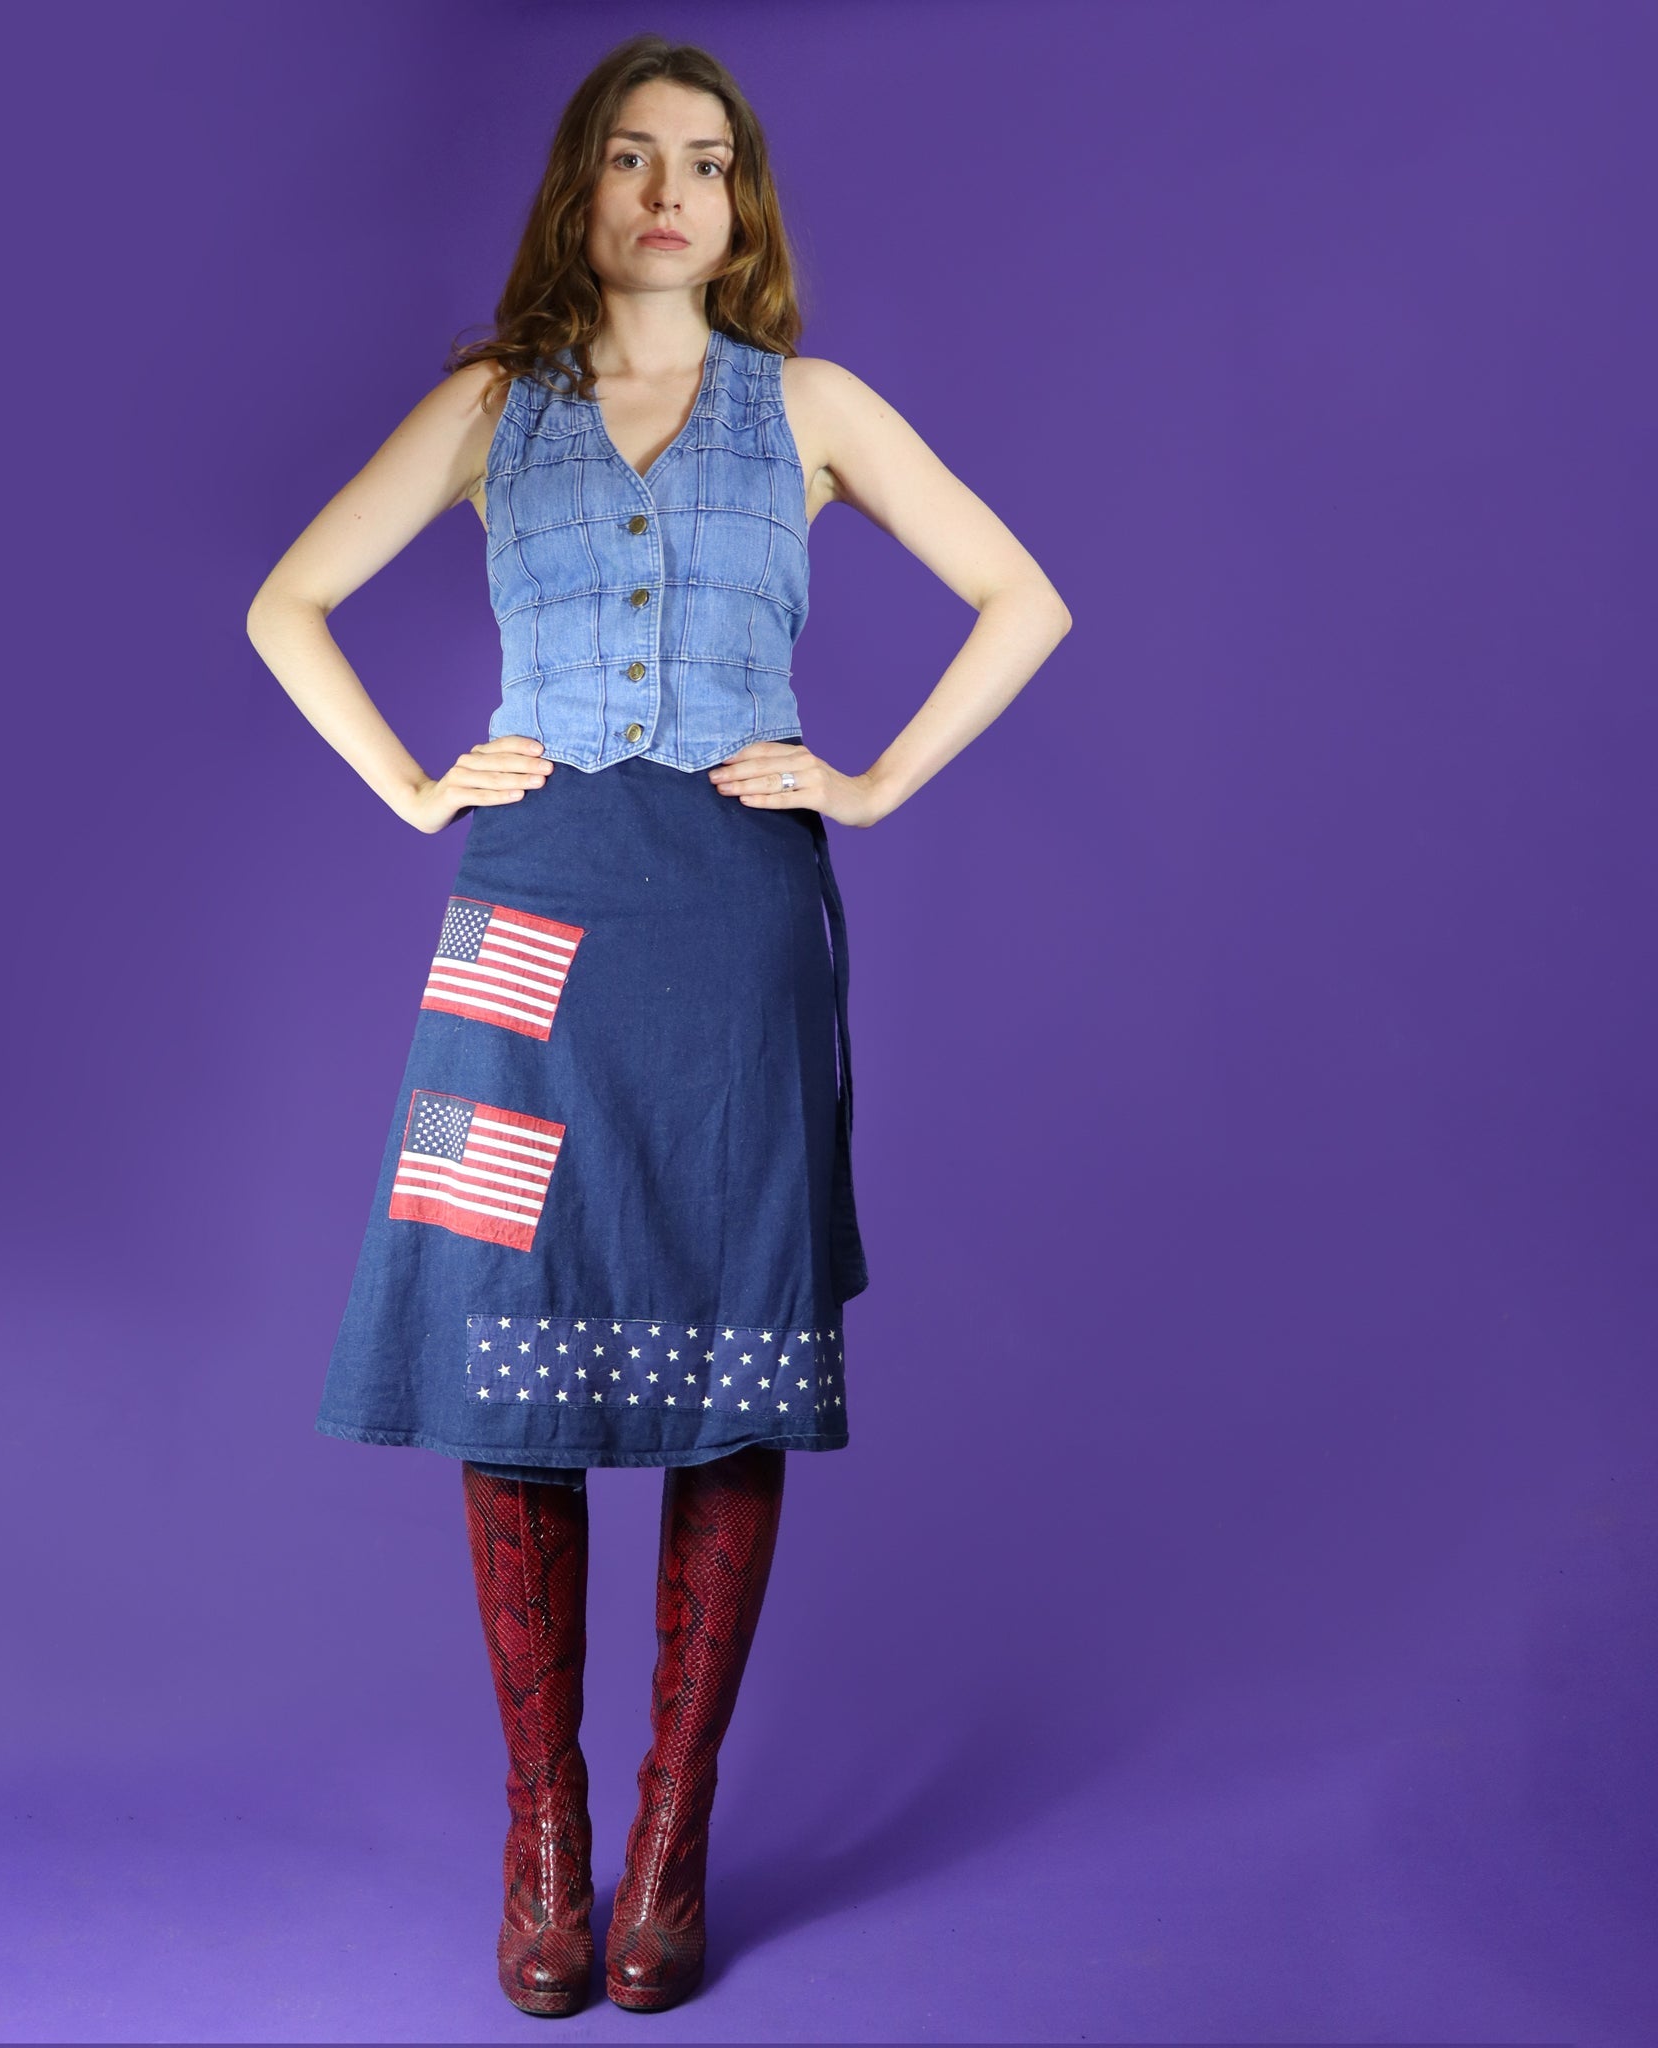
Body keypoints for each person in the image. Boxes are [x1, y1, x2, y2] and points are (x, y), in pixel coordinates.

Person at [244, 33, 1070, 2017]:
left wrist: (867, 781)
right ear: (581, 188)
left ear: (743, 202)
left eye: (706, 160)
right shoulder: (489, 403)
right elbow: (288, 602)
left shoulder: (812, 408)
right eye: (632, 156)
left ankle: (668, 1837)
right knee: (496, 1339)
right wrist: (413, 784)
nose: (670, 190)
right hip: (528, 902)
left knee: (730, 1354)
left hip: (732, 910)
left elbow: (1022, 597)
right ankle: (544, 1834)